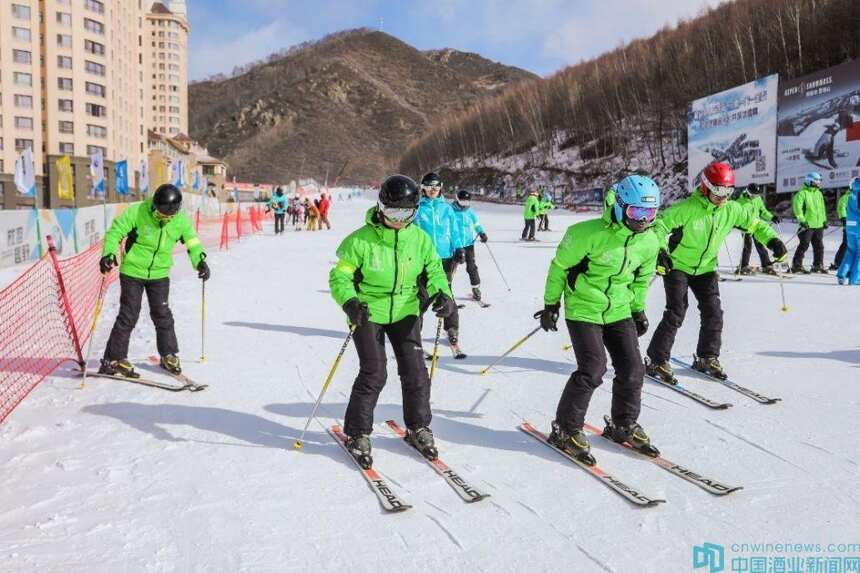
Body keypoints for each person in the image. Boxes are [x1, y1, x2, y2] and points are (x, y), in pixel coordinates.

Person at [329, 175, 455, 468]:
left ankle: (418, 426)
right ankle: (358, 432)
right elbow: (340, 276)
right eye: (393, 213)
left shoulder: (420, 239)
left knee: (415, 372)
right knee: (374, 372)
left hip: (406, 310)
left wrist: (443, 294)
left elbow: (435, 271)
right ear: (381, 207)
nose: (399, 220)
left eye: (407, 214)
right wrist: (349, 301)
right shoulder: (360, 240)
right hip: (368, 311)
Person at [535, 175, 663, 464]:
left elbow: (642, 278)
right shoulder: (585, 233)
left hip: (618, 309)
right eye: (636, 212)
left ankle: (623, 424)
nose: (642, 220)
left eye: (650, 213)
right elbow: (558, 268)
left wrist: (638, 309)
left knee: (632, 370)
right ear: (619, 206)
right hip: (583, 308)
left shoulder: (649, 240)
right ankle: (565, 429)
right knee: (593, 369)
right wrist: (551, 304)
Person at [645, 162, 786, 383]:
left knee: (714, 312)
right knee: (676, 312)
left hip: (706, 268)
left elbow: (756, 224)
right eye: (719, 191)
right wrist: (660, 251)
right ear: (706, 186)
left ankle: (707, 357)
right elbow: (658, 226)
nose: (723, 197)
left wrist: (773, 240)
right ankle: (656, 359)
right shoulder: (687, 208)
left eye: (728, 191)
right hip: (678, 266)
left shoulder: (731, 209)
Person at [97, 184, 210, 378]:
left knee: (162, 314)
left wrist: (200, 261)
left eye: (167, 217)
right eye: (159, 215)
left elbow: (192, 241)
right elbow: (115, 232)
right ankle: (113, 359)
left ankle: (168, 355)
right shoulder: (138, 211)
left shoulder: (180, 221)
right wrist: (108, 254)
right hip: (133, 271)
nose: (163, 219)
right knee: (128, 315)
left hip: (159, 274)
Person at [415, 172, 465, 356]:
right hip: (423, 259)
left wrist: (459, 248)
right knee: (421, 297)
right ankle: (414, 336)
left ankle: (451, 329)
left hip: (445, 258)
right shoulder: (417, 208)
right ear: (423, 189)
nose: (433, 190)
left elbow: (454, 231)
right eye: (429, 187)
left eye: (436, 187)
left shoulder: (447, 209)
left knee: (447, 294)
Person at [451, 189, 489, 301]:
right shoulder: (450, 210)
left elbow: (476, 224)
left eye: (467, 203)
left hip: (468, 244)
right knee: (451, 268)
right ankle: (445, 291)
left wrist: (481, 233)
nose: (465, 205)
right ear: (457, 200)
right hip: (454, 245)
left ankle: (476, 289)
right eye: (463, 203)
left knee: (471, 267)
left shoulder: (470, 211)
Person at [735, 184, 780, 275]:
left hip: (756, 226)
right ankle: (743, 266)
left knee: (760, 245)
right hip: (745, 227)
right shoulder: (740, 201)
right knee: (747, 246)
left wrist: (772, 217)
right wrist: (737, 225)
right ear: (748, 192)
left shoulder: (757, 199)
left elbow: (763, 211)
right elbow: (736, 216)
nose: (755, 196)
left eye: (757, 194)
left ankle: (766, 265)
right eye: (753, 194)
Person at [791, 172, 827, 274]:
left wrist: (824, 220)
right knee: (804, 244)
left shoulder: (818, 193)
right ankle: (796, 265)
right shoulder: (802, 193)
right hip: (808, 224)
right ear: (810, 181)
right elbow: (797, 208)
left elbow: (822, 209)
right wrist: (802, 221)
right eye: (817, 181)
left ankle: (817, 265)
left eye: (819, 181)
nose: (819, 183)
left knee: (819, 246)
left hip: (818, 225)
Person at [837, 178, 860, 285]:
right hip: (859, 227)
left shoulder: (852, 193)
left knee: (851, 251)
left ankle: (841, 276)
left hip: (851, 227)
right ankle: (854, 279)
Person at [831, 184, 852, 270]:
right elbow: (841, 208)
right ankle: (838, 263)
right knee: (846, 244)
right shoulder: (847, 197)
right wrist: (844, 218)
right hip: (850, 224)